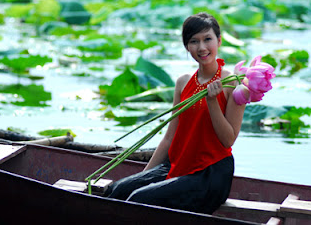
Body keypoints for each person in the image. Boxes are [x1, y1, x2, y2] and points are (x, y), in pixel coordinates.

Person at [104, 12, 246, 214]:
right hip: (178, 165)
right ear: (187, 47)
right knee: (118, 190)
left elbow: (228, 140)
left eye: (208, 39)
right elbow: (169, 138)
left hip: (210, 174)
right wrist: (141, 179)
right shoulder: (183, 82)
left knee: (139, 199)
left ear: (219, 41)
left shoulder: (232, 82)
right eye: (194, 41)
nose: (202, 47)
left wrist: (212, 102)